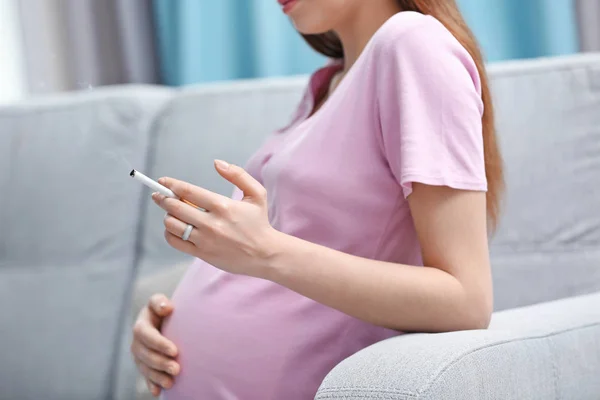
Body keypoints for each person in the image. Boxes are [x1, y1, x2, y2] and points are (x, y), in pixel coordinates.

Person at [130, 0, 504, 398]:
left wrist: (266, 252)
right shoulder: (329, 84)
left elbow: (466, 302)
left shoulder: (412, 44)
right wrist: (166, 320)